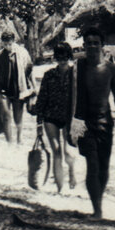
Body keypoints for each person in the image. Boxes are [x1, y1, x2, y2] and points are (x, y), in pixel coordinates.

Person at [69, 26, 115, 220]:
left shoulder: (110, 68)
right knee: (92, 165)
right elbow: (70, 97)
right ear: (84, 45)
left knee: (104, 167)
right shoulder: (78, 67)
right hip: (84, 124)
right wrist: (69, 125)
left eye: (96, 43)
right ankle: (97, 210)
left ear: (101, 46)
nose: (92, 46)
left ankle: (97, 203)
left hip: (105, 123)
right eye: (88, 43)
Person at [31, 42, 79, 192]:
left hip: (69, 117)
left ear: (69, 57)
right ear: (55, 58)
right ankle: (60, 188)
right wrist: (39, 123)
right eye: (59, 57)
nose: (62, 60)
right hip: (50, 116)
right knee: (56, 151)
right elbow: (42, 99)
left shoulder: (76, 75)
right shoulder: (49, 75)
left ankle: (71, 172)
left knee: (67, 152)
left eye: (65, 57)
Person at [0, 30, 34, 144]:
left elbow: (30, 71)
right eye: (5, 44)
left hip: (18, 88)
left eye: (9, 44)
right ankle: (9, 141)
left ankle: (19, 138)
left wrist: (33, 89)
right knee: (5, 115)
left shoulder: (23, 52)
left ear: (13, 41)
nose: (7, 46)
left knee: (17, 117)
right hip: (4, 89)